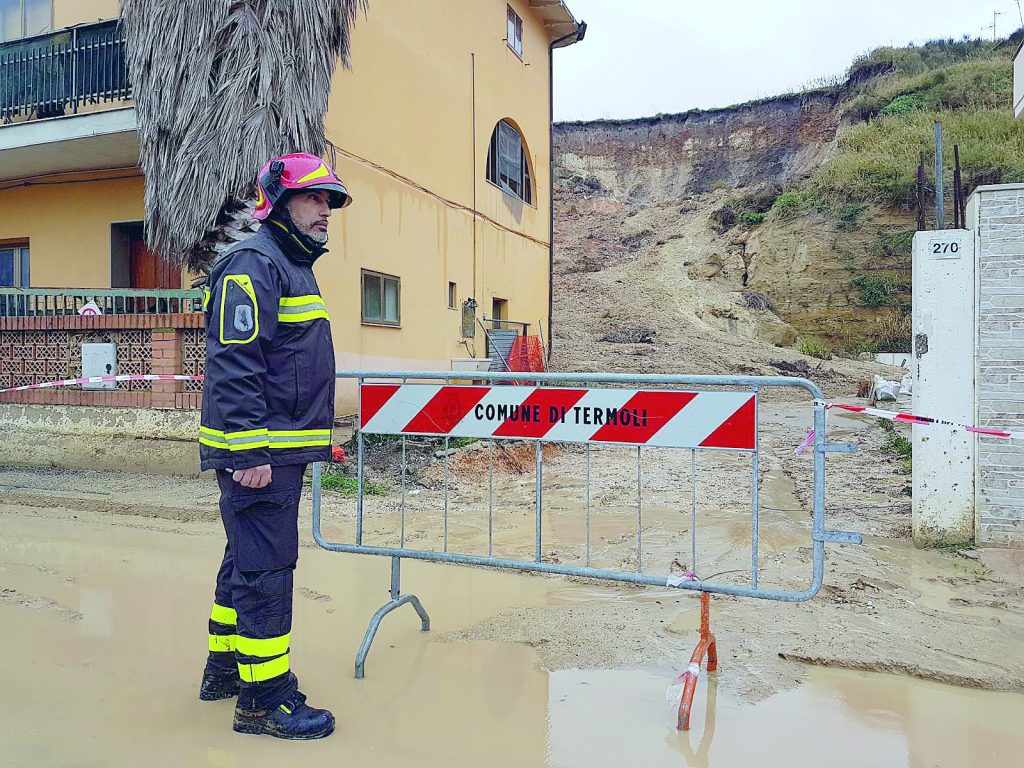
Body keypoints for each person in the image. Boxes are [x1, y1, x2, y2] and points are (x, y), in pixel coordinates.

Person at [197, 153, 351, 740]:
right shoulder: (254, 263)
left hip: (275, 449)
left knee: (245, 558)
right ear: (278, 202)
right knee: (267, 569)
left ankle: (224, 672)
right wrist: (249, 451)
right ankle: (264, 699)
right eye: (315, 199)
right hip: (260, 454)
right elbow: (235, 363)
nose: (326, 212)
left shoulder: (289, 263)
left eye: (330, 201)